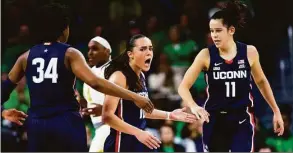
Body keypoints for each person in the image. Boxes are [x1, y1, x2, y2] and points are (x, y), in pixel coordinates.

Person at [1, 3, 154, 152]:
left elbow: (3, 90)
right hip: (66, 123)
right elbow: (95, 83)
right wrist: (134, 96)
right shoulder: (70, 53)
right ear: (64, 29)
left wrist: (2, 112)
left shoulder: (25, 57)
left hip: (37, 125)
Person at [178, 0, 284, 152]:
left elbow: (261, 82)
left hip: (240, 120)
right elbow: (183, 87)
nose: (214, 35)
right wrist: (194, 106)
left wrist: (276, 111)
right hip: (215, 121)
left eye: (218, 30)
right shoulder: (206, 55)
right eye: (211, 31)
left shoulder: (249, 52)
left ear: (231, 30)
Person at [100, 34, 196, 152]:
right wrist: (138, 132)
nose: (149, 52)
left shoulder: (141, 76)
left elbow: (141, 112)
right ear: (130, 54)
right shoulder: (119, 77)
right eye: (142, 49)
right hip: (121, 142)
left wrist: (169, 115)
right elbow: (107, 116)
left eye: (150, 48)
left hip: (138, 139)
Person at [82, 36, 112, 152]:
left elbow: (126, 101)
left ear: (107, 51)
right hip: (98, 127)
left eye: (95, 49)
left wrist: (104, 109)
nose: (90, 53)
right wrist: (81, 103)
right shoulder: (90, 72)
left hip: (113, 127)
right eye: (89, 49)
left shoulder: (115, 71)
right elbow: (93, 103)